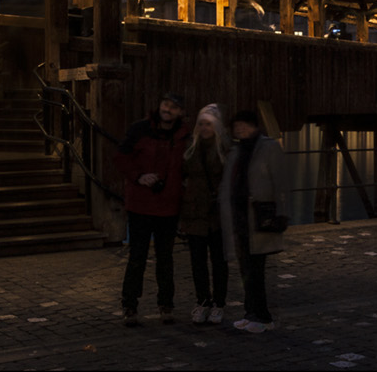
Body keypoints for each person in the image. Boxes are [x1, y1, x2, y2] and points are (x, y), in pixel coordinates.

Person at [114, 92, 188, 327]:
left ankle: (166, 305)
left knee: (166, 259)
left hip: (169, 207)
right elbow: (120, 158)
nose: (168, 109)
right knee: (137, 257)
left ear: (180, 112)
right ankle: (129, 306)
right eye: (166, 104)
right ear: (160, 105)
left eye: (174, 107)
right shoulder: (140, 129)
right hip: (141, 206)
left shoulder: (185, 135)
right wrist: (139, 176)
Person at [219, 108, 290, 334]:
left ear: (254, 126)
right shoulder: (237, 150)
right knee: (245, 269)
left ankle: (263, 317)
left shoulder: (268, 147)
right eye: (236, 126)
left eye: (244, 125)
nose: (240, 129)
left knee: (255, 270)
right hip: (240, 218)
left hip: (259, 217)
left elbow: (281, 181)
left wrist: (281, 212)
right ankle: (250, 313)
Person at [178, 103, 231, 326]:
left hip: (217, 213)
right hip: (194, 212)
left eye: (208, 124)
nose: (204, 127)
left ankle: (219, 303)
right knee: (197, 261)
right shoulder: (190, 147)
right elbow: (181, 176)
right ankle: (203, 301)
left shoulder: (225, 148)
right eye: (201, 123)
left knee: (219, 261)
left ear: (216, 125)